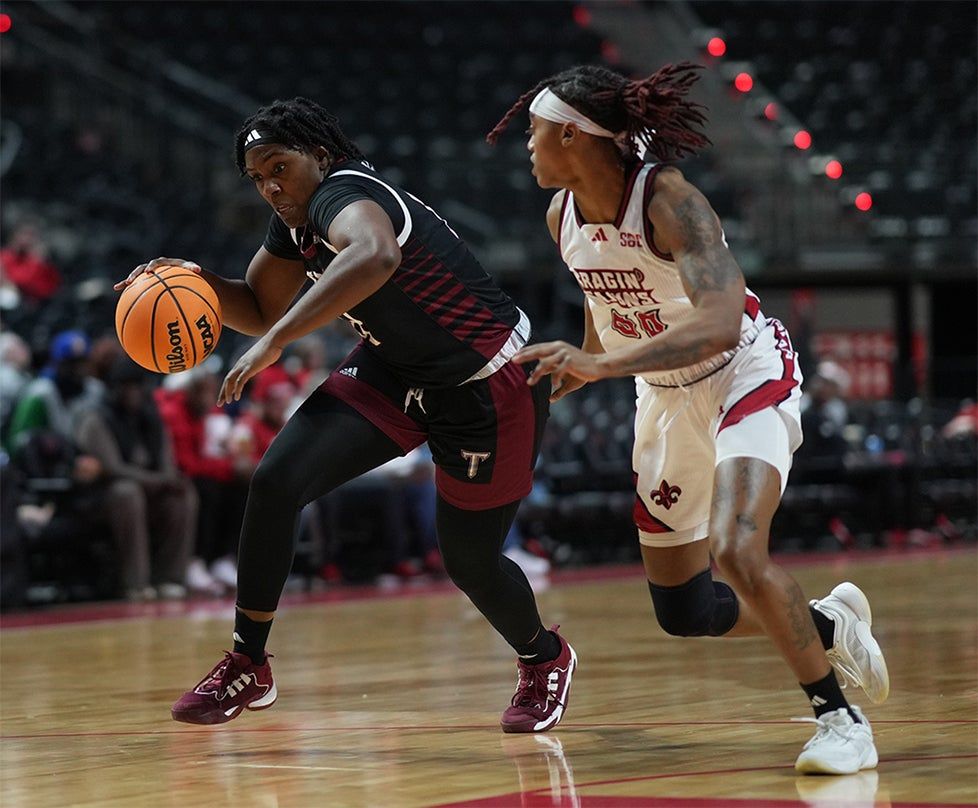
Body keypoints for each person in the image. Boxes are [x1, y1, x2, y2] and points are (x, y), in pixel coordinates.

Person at [117, 97, 575, 731]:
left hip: (488, 382)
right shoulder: (296, 220)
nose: (270, 186)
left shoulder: (347, 191)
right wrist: (188, 281)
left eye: (279, 166)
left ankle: (543, 657)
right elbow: (255, 303)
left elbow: (375, 256)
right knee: (277, 481)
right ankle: (249, 663)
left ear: (321, 156)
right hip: (397, 370)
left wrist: (277, 341)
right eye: (257, 178)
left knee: (469, 561)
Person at [487, 63, 889, 774]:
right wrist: (539, 385)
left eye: (536, 130)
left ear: (577, 138)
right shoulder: (562, 217)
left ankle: (841, 720)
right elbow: (602, 324)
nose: (526, 144)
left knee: (738, 549)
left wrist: (603, 368)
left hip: (743, 369)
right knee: (685, 612)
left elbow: (718, 324)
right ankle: (828, 624)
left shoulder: (671, 202)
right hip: (663, 396)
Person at [74, 357, 196, 600]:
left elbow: (167, 463)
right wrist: (159, 481)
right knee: (127, 491)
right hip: (101, 498)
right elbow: (112, 468)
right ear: (115, 388)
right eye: (128, 386)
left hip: (146, 492)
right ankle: (135, 583)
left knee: (182, 494)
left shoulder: (152, 418)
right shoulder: (96, 418)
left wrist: (169, 480)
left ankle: (170, 579)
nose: (134, 392)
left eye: (138, 386)